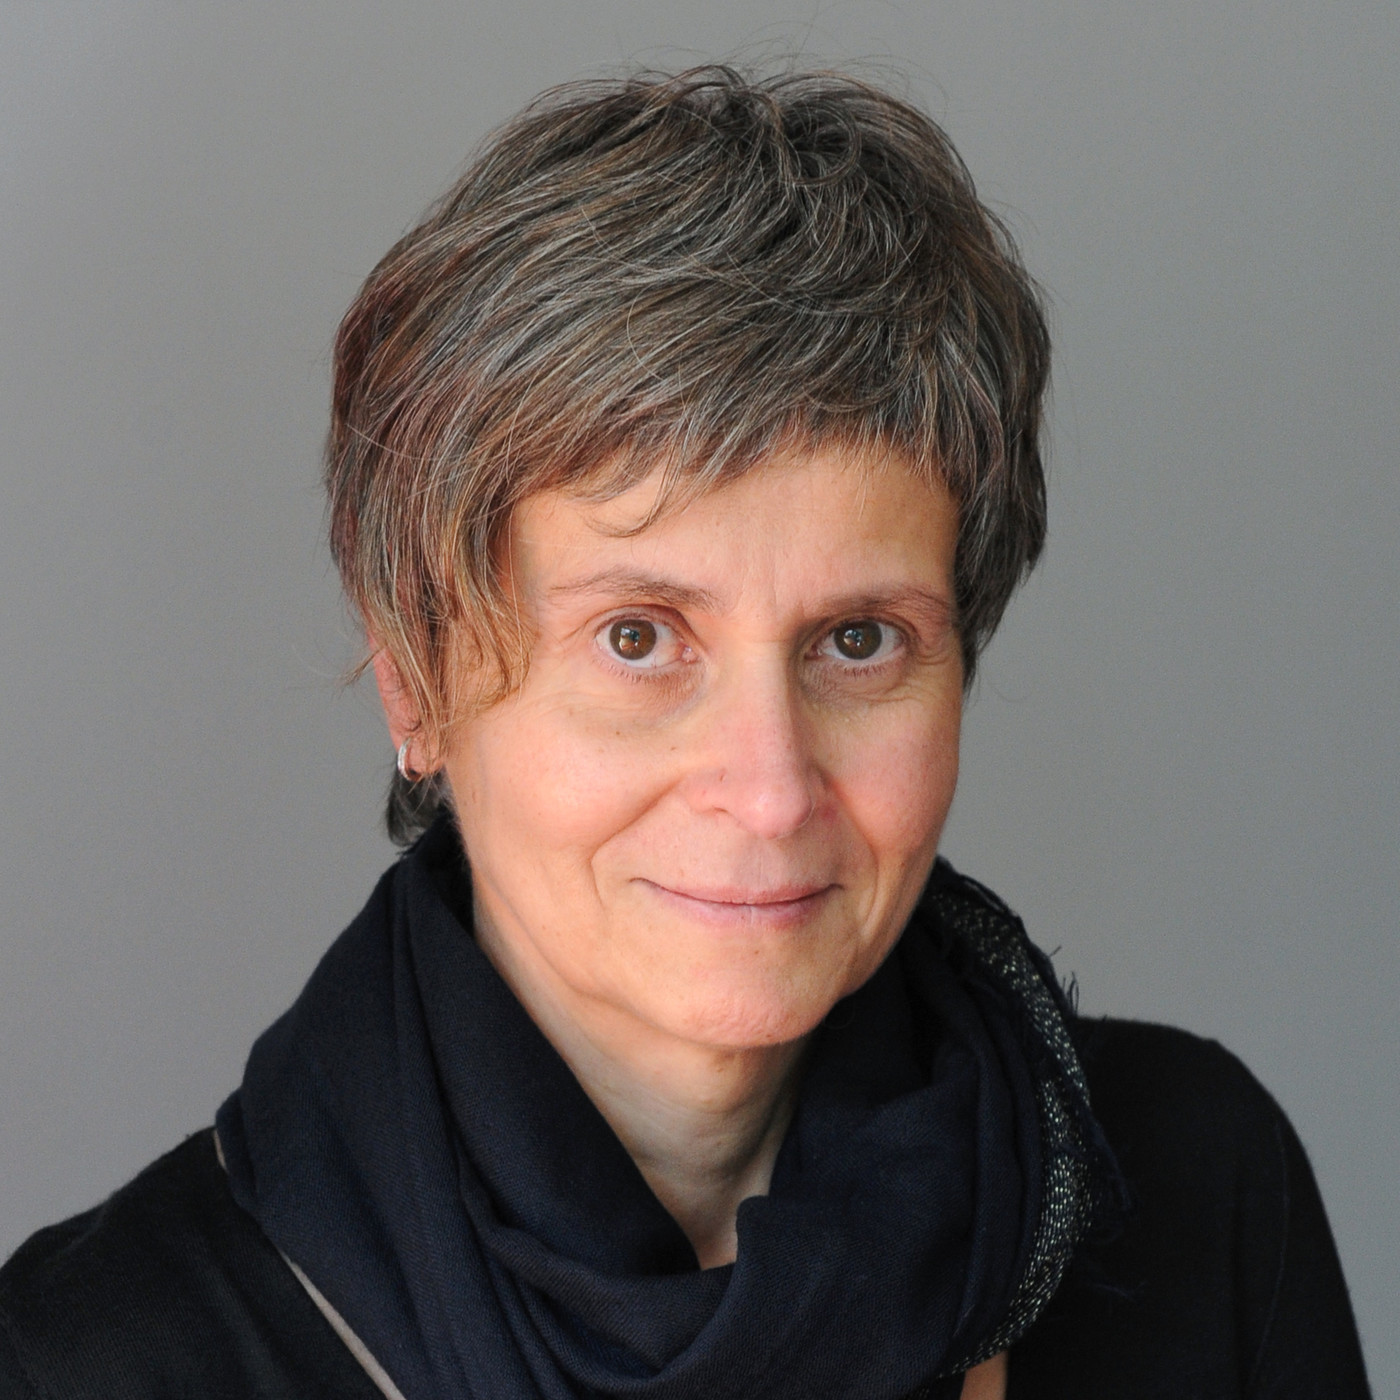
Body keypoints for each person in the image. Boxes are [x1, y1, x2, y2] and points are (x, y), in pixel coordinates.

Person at [0, 66, 1370, 1400]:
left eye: (858, 641)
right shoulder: (91, 1361)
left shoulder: (1197, 1200)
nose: (769, 791)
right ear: (416, 677)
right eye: (638, 638)